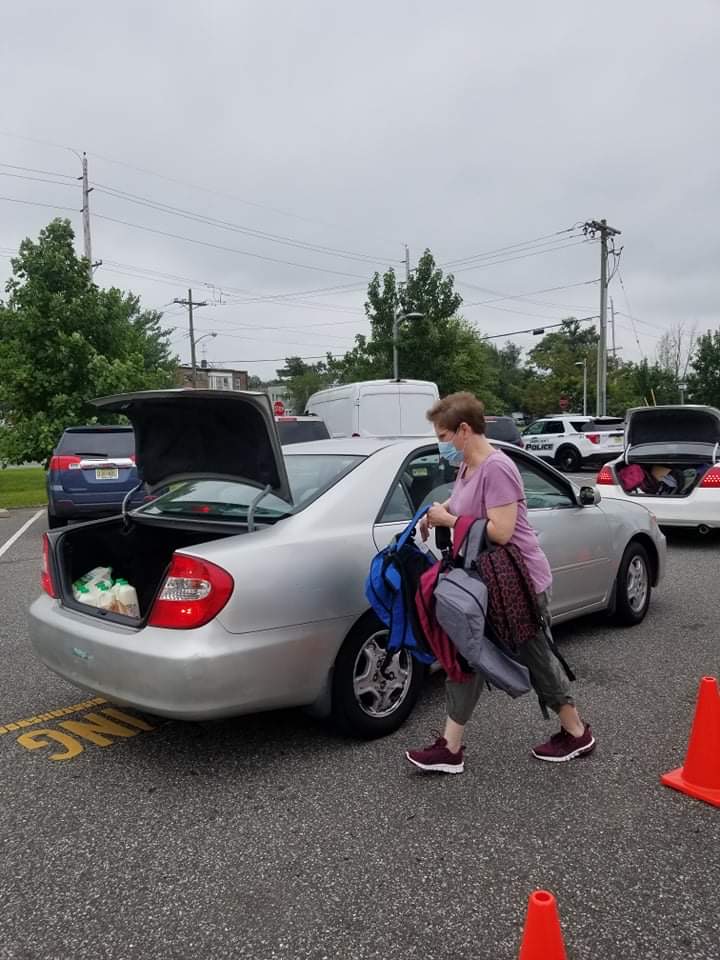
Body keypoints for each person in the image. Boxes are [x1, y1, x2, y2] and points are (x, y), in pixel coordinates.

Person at [406, 392, 595, 773]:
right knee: (467, 654)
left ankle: (576, 733)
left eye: (443, 438)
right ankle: (450, 747)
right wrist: (438, 512)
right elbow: (465, 510)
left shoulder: (498, 468)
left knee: (537, 657)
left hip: (518, 583)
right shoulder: (468, 468)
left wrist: (450, 522)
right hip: (487, 584)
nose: (441, 446)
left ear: (464, 430)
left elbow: (502, 531)